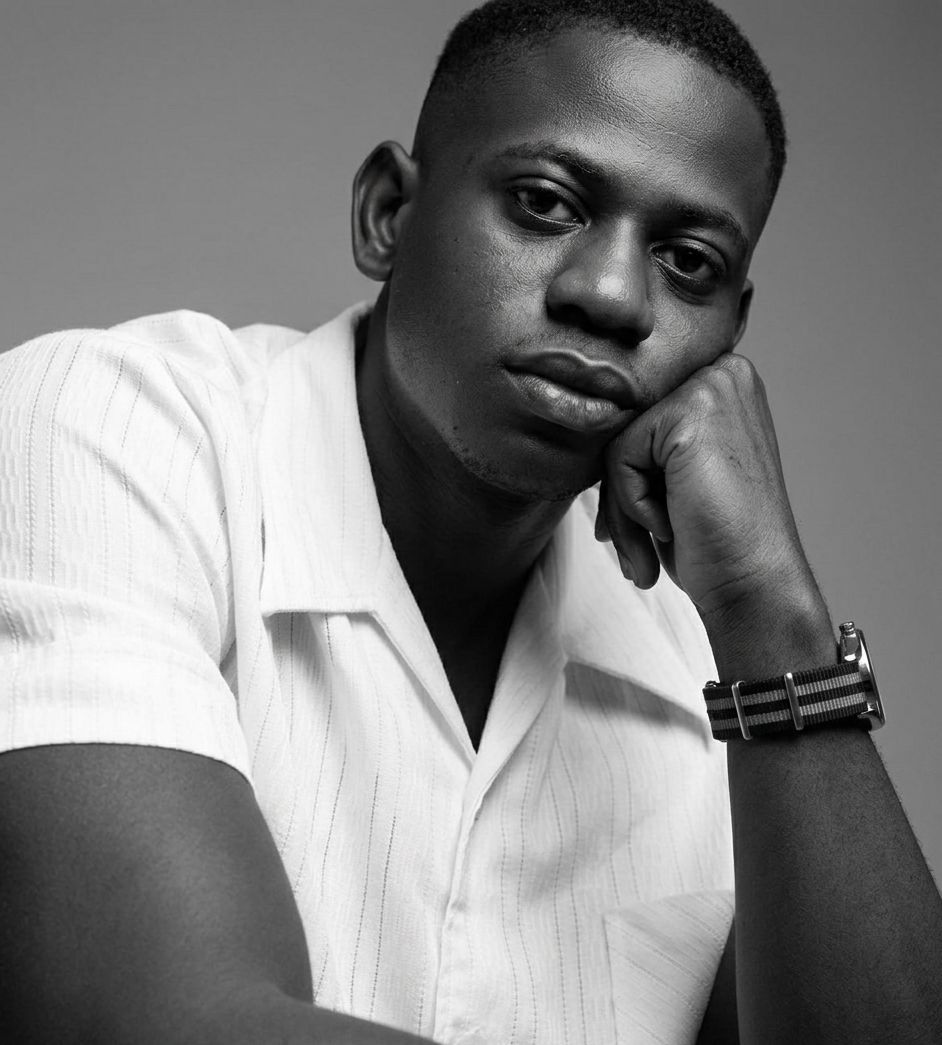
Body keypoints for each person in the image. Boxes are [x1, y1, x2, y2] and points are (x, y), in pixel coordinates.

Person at [0, 0, 940, 1042]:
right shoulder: (107, 432)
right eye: (545, 203)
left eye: (688, 263)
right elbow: (171, 1021)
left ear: (732, 336)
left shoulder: (708, 660)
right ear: (388, 214)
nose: (613, 295)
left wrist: (772, 615)